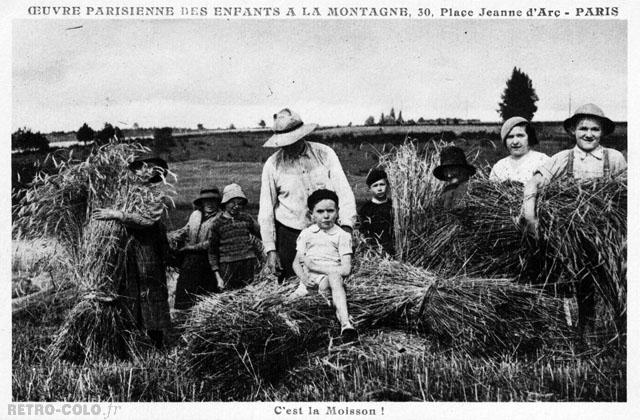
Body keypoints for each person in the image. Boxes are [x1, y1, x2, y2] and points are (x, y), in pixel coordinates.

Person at [521, 103, 627, 340]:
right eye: (583, 128)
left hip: (606, 240)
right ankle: (577, 335)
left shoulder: (615, 158)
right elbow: (533, 183)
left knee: (609, 290)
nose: (589, 134)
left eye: (595, 129)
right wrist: (530, 215)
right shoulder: (562, 159)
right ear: (573, 131)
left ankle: (609, 336)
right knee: (576, 287)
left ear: (603, 132)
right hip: (572, 241)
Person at [258, 108, 357, 282]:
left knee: (331, 282)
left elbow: (344, 193)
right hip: (291, 234)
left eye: (293, 141)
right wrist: (271, 250)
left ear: (302, 135)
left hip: (328, 231)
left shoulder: (324, 154)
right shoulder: (273, 165)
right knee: (292, 283)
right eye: (284, 143)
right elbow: (266, 210)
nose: (289, 146)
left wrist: (346, 228)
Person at [92, 157, 172, 348]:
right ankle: (127, 342)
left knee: (150, 293)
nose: (144, 172)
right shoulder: (125, 192)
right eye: (142, 168)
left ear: (156, 175)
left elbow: (147, 221)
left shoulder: (156, 196)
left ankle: (156, 343)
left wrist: (118, 214)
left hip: (148, 250)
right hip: (124, 250)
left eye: (151, 170)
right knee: (127, 291)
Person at [289, 189, 358, 343]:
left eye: (330, 211)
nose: (326, 216)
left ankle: (346, 324)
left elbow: (346, 269)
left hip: (329, 279)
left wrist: (314, 266)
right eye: (320, 211)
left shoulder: (342, 235)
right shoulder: (307, 234)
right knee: (284, 306)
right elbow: (296, 262)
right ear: (311, 214)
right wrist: (304, 278)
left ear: (338, 212)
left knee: (334, 277)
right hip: (308, 282)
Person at [169, 187, 222, 310]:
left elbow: (212, 242)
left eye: (212, 200)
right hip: (189, 264)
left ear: (217, 202)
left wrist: (190, 248)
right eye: (206, 200)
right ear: (202, 202)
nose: (209, 204)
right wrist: (173, 237)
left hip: (207, 264)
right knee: (184, 298)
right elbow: (186, 229)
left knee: (203, 301)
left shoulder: (220, 218)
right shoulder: (195, 215)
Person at [209, 183, 262, 291]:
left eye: (240, 203)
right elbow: (212, 252)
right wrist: (218, 277)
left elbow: (261, 234)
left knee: (249, 295)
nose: (236, 206)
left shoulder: (246, 218)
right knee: (230, 296)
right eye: (232, 202)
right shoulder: (217, 223)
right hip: (228, 266)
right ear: (225, 203)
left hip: (247, 263)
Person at [490, 116, 550, 183]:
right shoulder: (499, 166)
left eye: (520, 136)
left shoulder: (542, 161)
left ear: (529, 137)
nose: (515, 142)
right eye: (510, 137)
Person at [358, 168, 395, 255]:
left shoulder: (393, 206)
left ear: (387, 185)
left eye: (382, 184)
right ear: (369, 189)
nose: (379, 188)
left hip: (392, 249)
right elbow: (363, 232)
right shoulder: (366, 209)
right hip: (373, 250)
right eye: (375, 185)